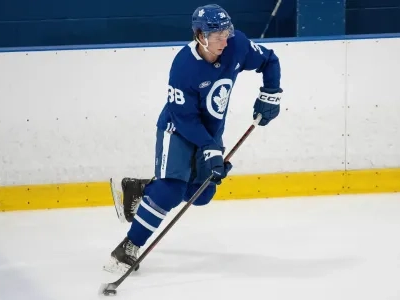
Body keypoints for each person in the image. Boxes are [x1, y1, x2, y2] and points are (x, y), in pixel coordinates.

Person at [103, 3, 282, 274]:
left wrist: (270, 93)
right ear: (200, 35)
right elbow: (185, 119)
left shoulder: (237, 45)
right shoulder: (183, 67)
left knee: (201, 195)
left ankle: (140, 190)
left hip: (209, 132)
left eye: (226, 32)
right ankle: (127, 247)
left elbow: (269, 60)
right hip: (177, 130)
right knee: (171, 191)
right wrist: (211, 149)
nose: (224, 39)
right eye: (216, 34)